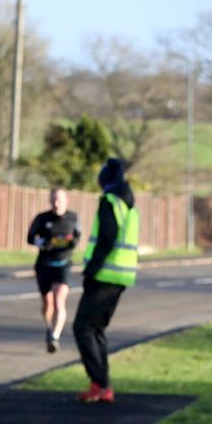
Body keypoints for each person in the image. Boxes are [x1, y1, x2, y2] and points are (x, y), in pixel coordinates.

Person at [73, 157, 138, 404]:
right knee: (96, 328)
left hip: (105, 274)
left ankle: (99, 382)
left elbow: (106, 240)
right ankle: (102, 385)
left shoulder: (110, 201)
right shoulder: (128, 202)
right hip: (122, 275)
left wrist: (91, 271)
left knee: (83, 327)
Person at [27, 186, 80, 352]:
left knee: (59, 300)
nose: (57, 203)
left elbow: (78, 236)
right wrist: (43, 244)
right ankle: (49, 327)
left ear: (66, 200)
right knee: (47, 303)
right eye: (54, 199)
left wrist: (73, 242)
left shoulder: (73, 218)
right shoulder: (42, 218)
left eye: (60, 199)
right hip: (44, 265)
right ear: (50, 201)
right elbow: (30, 238)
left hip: (63, 264)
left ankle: (55, 337)